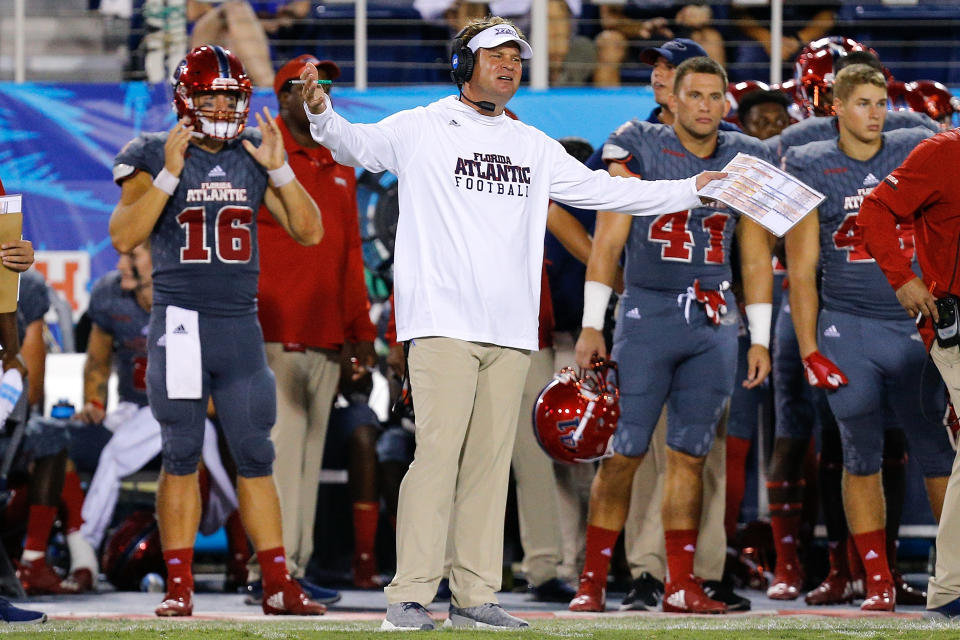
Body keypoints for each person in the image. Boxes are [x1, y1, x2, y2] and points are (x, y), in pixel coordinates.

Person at [299, 16, 725, 630]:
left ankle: (475, 598)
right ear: (463, 65)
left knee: (489, 464)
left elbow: (605, 191)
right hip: (442, 322)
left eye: (516, 58)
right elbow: (352, 145)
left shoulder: (530, 143)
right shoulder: (423, 126)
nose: (509, 65)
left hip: (509, 329)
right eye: (495, 55)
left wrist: (691, 190)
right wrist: (320, 114)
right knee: (438, 457)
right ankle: (409, 597)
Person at [109, 44, 324, 617]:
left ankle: (278, 583)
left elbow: (309, 232)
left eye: (230, 97)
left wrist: (280, 168)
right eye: (211, 95)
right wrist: (167, 179)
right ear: (186, 96)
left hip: (238, 326)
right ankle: (180, 587)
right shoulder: (152, 152)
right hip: (179, 324)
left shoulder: (255, 153)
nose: (222, 107)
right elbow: (124, 238)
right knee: (180, 452)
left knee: (256, 453)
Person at [568, 55, 773, 615]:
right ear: (673, 101)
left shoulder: (744, 155)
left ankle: (682, 584)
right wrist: (592, 325)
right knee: (625, 450)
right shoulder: (640, 143)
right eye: (696, 95)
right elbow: (608, 241)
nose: (706, 106)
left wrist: (760, 336)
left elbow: (755, 255)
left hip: (713, 319)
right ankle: (592, 581)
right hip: (647, 312)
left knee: (689, 455)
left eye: (715, 96)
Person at [784, 64, 954, 612]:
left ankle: (944, 576)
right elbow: (803, 267)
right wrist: (809, 346)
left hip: (916, 323)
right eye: (861, 102)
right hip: (849, 322)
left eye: (881, 102)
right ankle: (876, 579)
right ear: (835, 106)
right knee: (860, 450)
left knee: (935, 450)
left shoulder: (917, 146)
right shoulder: (810, 162)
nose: (875, 113)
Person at [248, 53, 370, 603]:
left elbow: (350, 256)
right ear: (282, 97)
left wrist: (360, 334)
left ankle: (293, 567)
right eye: (307, 86)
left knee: (307, 462)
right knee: (277, 457)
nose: (319, 92)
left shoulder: (339, 162)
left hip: (326, 334)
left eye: (324, 86)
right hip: (271, 330)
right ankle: (269, 570)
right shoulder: (260, 159)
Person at [77, 242, 239, 587]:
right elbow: (97, 359)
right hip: (132, 407)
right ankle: (85, 547)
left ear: (159, 256)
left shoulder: (191, 293)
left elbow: (218, 369)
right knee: (111, 446)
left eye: (131, 256)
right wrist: (94, 401)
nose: (121, 264)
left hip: (190, 405)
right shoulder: (109, 295)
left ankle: (227, 554)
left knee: (212, 445)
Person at [859, 127, 960, 620]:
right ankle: (949, 593)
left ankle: (949, 592)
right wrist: (903, 276)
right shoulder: (945, 151)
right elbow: (873, 210)